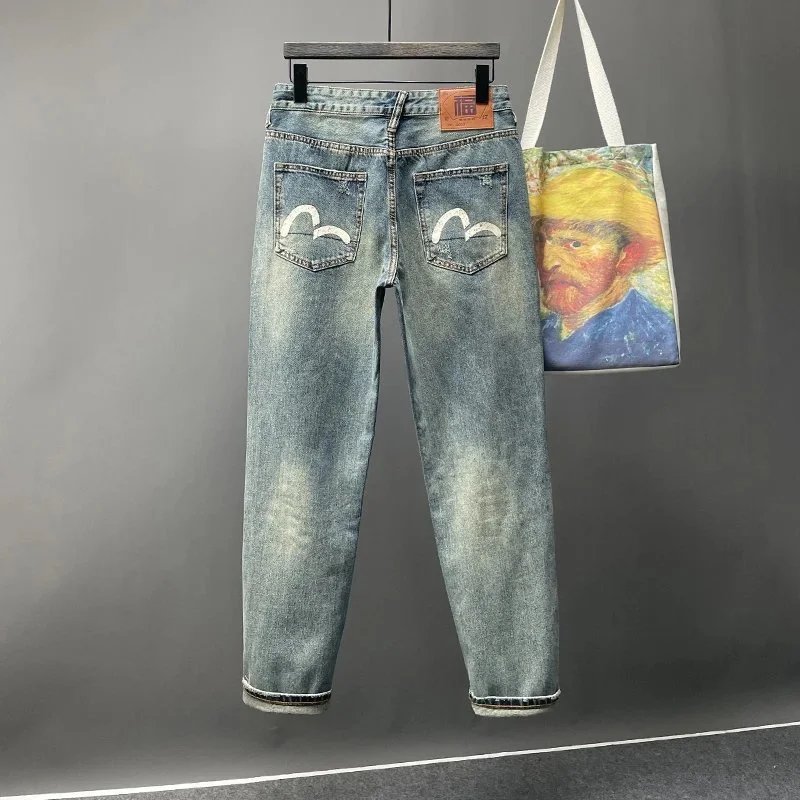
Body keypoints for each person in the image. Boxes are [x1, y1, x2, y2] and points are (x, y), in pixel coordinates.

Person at [530, 163, 679, 370]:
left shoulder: (651, 334)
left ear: (627, 256)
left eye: (575, 244)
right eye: (540, 241)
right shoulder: (541, 327)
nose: (547, 263)